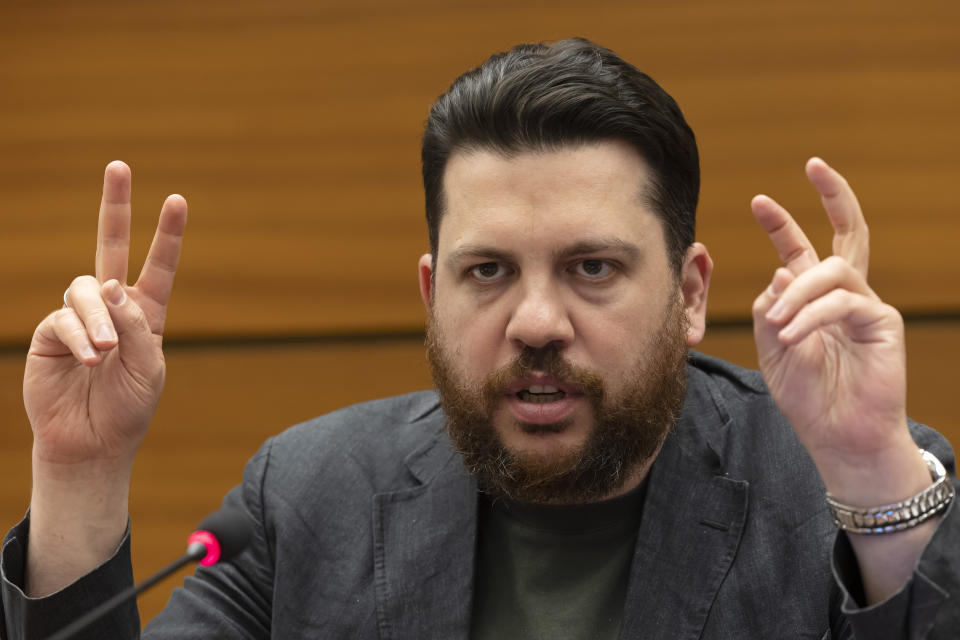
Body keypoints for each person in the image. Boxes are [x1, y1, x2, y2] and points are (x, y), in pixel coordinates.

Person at [1, 37, 957, 639]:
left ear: (693, 293)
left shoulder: (836, 485)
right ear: (431, 294)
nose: (537, 323)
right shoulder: (309, 497)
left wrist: (872, 470)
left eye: (593, 268)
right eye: (488, 272)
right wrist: (81, 474)